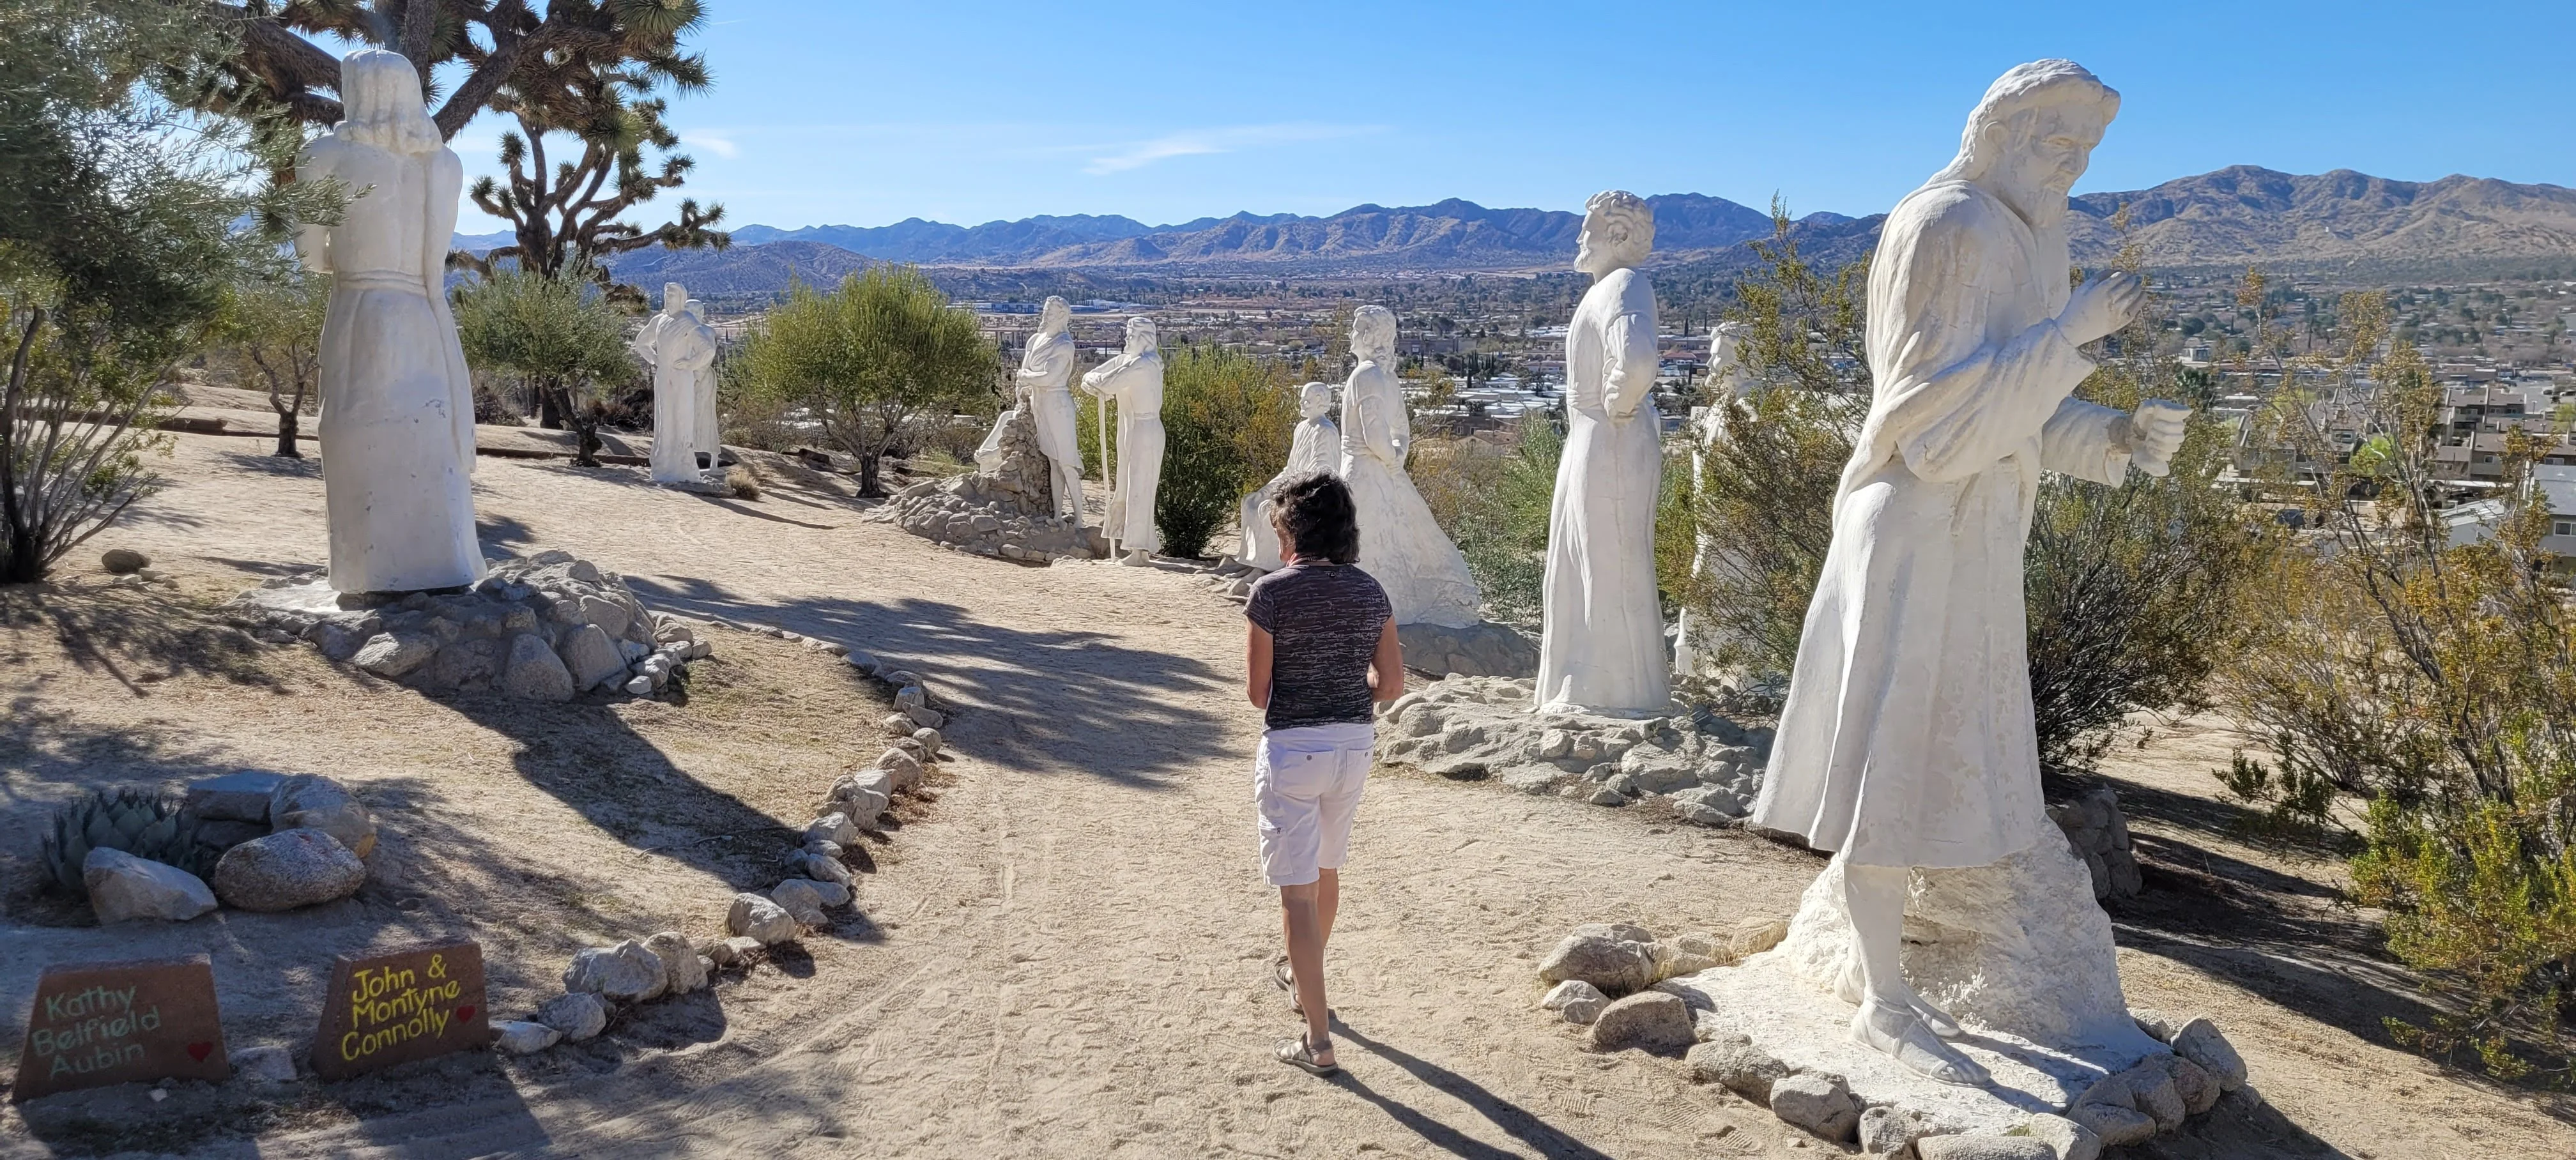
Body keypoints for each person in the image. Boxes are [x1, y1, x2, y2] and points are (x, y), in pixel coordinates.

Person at [1748, 60, 2186, 1085]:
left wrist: (2112, 433)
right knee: (1892, 758)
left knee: (1957, 748)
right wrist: (2072, 335)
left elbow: (2014, 412)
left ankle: (1925, 970)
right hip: (1916, 526)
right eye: (2054, 145)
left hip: (1979, 531)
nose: (2071, 170)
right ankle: (1884, 999)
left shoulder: (2033, 234)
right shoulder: (1946, 226)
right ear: (1997, 132)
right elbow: (1935, 424)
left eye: (2085, 154)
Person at [1243, 473, 1402, 1076]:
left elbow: (1259, 695)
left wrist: (1305, 678)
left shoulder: (1271, 595)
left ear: (1293, 529)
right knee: (1326, 872)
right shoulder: (1371, 593)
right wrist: (1344, 681)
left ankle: (1318, 1042)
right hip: (1353, 748)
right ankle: (1304, 980)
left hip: (1294, 749)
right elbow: (1390, 686)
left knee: (1296, 894)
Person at [1532, 190, 1667, 713]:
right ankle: (1587, 685)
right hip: (1593, 438)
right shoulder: (1609, 289)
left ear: (1617, 235)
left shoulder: (1626, 285)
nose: (1576, 239)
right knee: (1584, 560)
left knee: (1608, 560)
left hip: (1609, 439)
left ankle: (1616, 691)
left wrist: (1620, 401)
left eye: (1585, 230)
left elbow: (1635, 360)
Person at [1338, 306, 1480, 627]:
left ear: (1373, 336)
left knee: (1364, 539)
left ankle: (1365, 610)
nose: (1352, 334)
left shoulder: (1366, 376)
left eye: (1357, 329)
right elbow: (1401, 430)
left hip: (1363, 470)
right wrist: (1397, 458)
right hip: (1384, 468)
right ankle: (1389, 606)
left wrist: (1388, 458)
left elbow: (1375, 432)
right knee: (1392, 538)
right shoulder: (1386, 377)